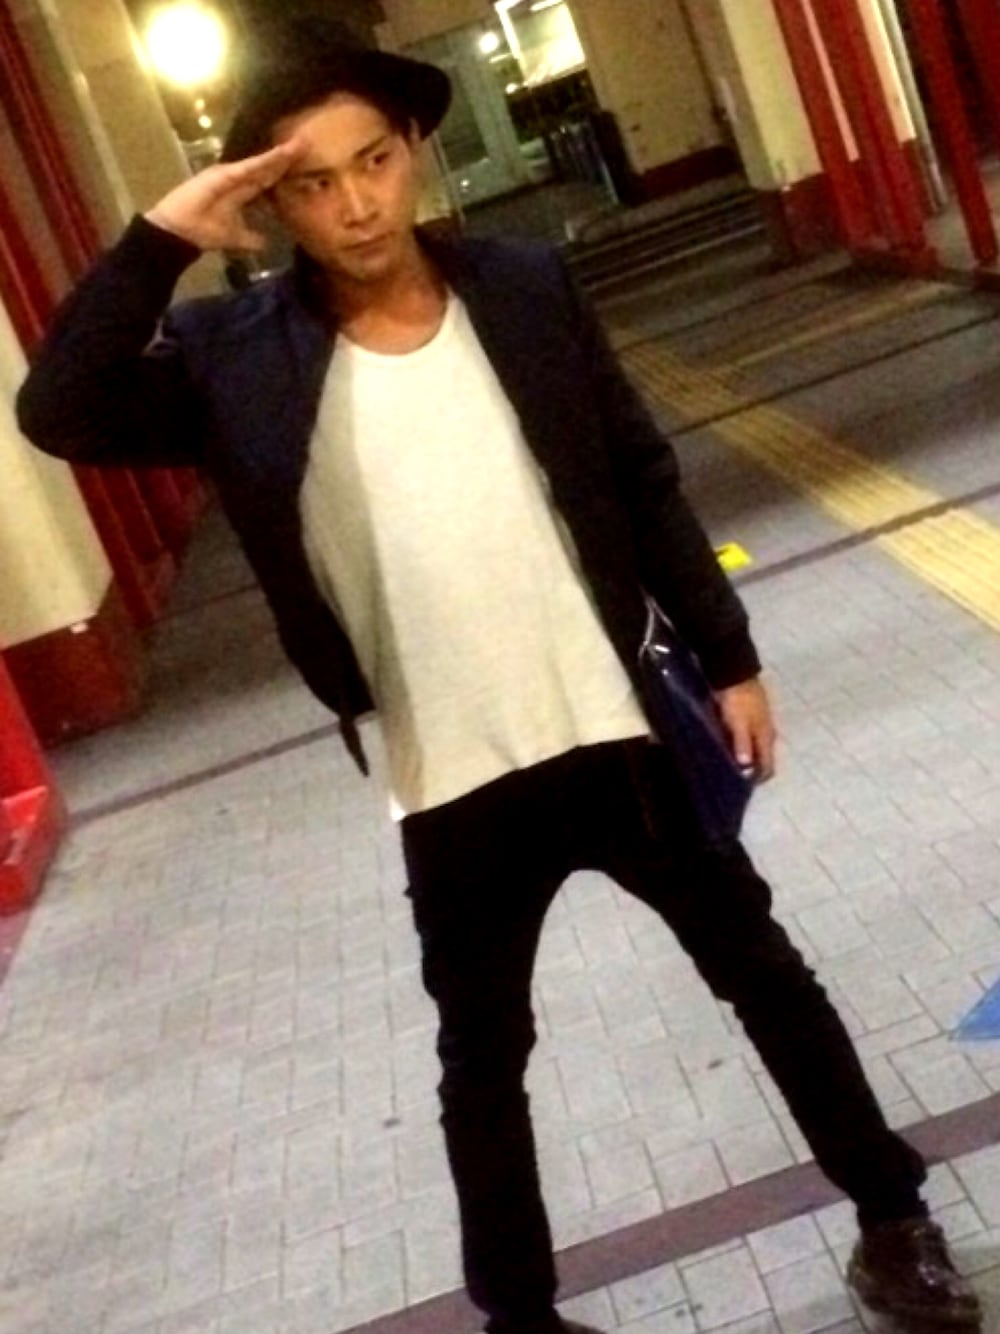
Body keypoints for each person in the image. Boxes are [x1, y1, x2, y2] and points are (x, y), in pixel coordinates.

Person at [17, 18, 981, 1334]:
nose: (356, 204)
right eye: (314, 182)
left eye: (373, 161)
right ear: (274, 202)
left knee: (765, 974)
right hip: (452, 773)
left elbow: (639, 476)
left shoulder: (523, 289)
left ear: (415, 148)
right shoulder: (234, 359)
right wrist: (164, 233)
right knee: (484, 1064)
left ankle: (894, 1219)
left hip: (617, 727)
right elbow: (59, 409)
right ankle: (521, 1320)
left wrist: (731, 656)